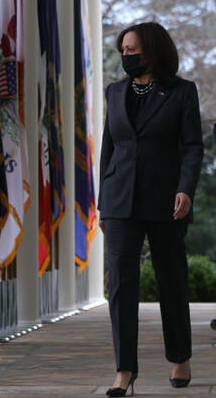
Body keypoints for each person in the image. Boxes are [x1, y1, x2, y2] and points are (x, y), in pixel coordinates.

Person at [99, 22, 203, 397]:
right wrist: (101, 204)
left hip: (166, 200)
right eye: (123, 50)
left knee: (171, 280)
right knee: (121, 286)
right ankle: (124, 369)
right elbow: (107, 149)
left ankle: (180, 357)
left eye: (133, 49)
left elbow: (192, 147)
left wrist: (185, 189)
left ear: (153, 50)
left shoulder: (182, 92)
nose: (127, 56)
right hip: (120, 201)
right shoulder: (114, 92)